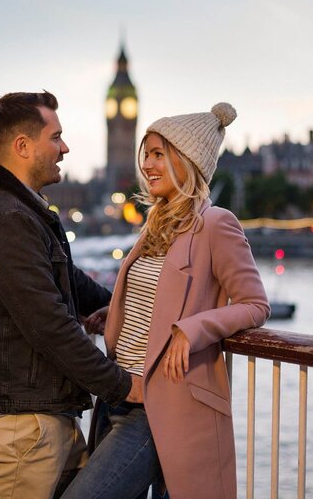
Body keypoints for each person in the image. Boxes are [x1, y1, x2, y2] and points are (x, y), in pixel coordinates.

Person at [62, 102, 271, 499]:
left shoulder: (216, 223)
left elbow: (255, 304)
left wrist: (190, 331)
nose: (147, 164)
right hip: (118, 393)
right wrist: (118, 313)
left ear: (186, 161)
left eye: (159, 154)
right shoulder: (156, 223)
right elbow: (157, 296)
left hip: (159, 407)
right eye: (147, 154)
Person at [0, 91, 134, 499]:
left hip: (43, 415)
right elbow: (49, 325)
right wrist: (124, 386)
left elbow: (68, 281)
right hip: (24, 427)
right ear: (22, 146)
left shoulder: (21, 210)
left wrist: (120, 307)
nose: (65, 147)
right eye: (55, 137)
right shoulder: (7, 219)